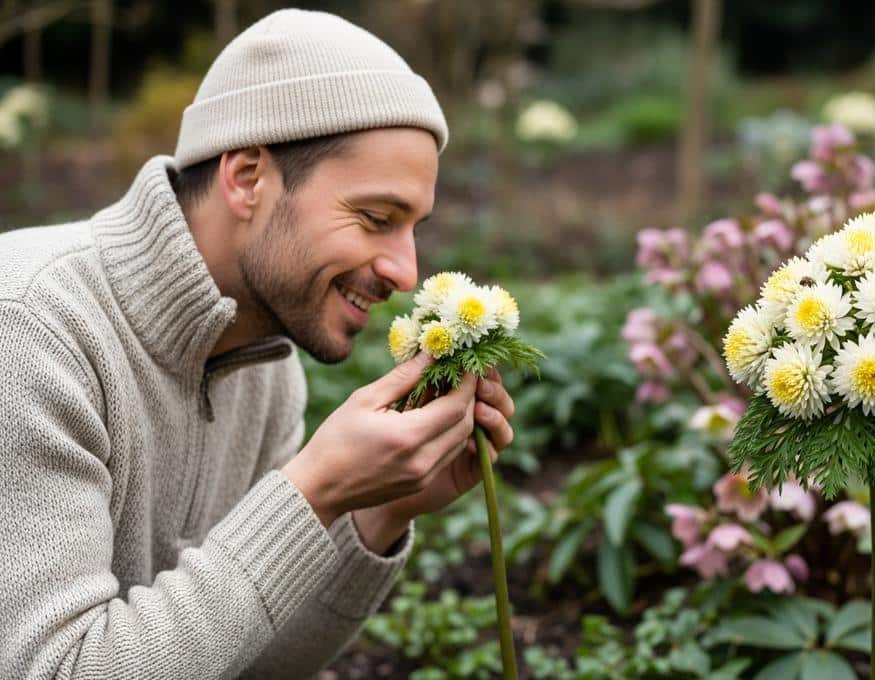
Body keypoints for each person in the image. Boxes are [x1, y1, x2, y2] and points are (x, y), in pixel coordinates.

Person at [0, 8, 516, 678]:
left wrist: (380, 511)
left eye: (412, 227)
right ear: (247, 177)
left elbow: (246, 664)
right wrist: (313, 491)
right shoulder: (30, 329)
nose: (405, 271)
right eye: (375, 218)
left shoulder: (268, 368)